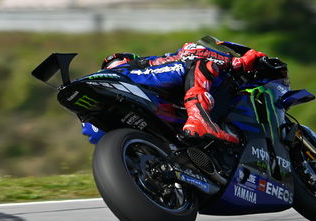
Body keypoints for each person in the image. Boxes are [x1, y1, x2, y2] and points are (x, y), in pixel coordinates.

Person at [101, 36, 267, 144]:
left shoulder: (105, 83)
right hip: (133, 83)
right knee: (200, 64)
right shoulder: (141, 64)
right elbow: (192, 50)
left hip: (124, 121)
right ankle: (199, 119)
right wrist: (234, 62)